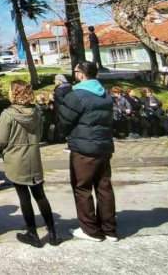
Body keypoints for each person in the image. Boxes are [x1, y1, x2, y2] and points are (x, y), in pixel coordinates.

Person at [58, 61, 117, 242]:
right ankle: (109, 229)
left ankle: (90, 230)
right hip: (103, 145)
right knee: (104, 187)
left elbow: (64, 122)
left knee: (82, 188)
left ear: (81, 74)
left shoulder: (76, 95)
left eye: (75, 71)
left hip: (84, 148)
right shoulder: (105, 94)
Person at [0, 80, 60, 248]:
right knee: (40, 195)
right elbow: (39, 135)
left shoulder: (7, 114)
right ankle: (53, 232)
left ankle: (32, 233)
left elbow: (2, 140)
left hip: (16, 158)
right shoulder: (36, 112)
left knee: (24, 197)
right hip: (33, 155)